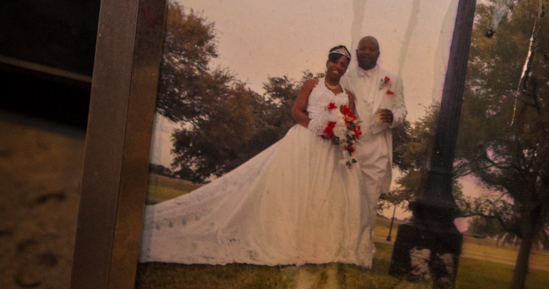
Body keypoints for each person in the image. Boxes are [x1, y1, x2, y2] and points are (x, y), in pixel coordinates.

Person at [139, 46, 374, 268]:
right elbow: (296, 111)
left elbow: (351, 122)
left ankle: (317, 244)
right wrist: (318, 128)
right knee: (295, 190)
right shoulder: (312, 85)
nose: (338, 67)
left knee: (324, 195)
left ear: (345, 69)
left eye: (343, 65)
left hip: (331, 153)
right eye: (335, 62)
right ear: (327, 62)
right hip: (305, 142)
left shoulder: (348, 96)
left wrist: (341, 133)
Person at [341, 36, 407, 215]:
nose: (367, 52)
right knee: (346, 197)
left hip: (378, 147)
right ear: (356, 53)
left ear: (378, 53)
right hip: (351, 146)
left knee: (370, 200)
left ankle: (364, 241)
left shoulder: (392, 79)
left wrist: (393, 117)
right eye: (363, 48)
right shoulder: (345, 78)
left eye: (371, 49)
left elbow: (401, 109)